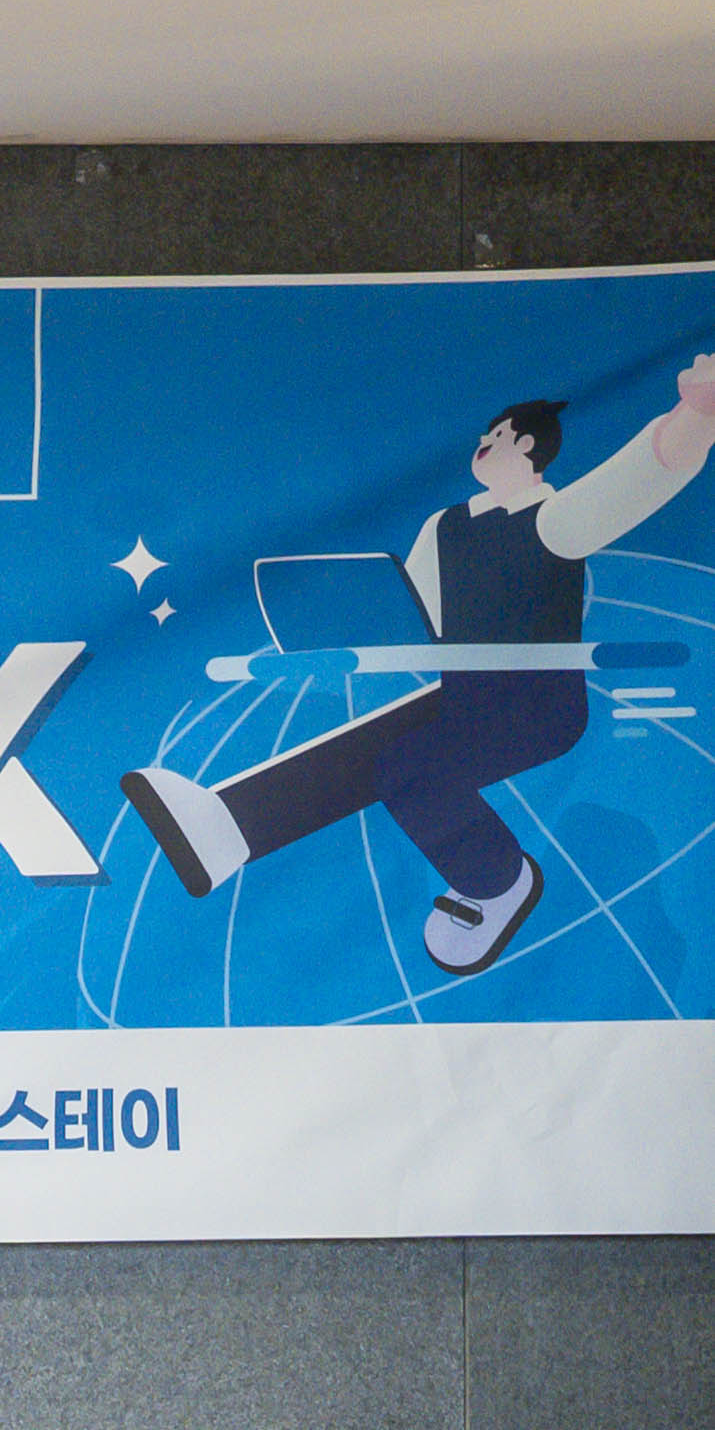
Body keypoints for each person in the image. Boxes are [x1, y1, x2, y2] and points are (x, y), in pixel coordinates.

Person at [121, 352, 715, 975]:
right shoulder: (447, 526)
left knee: (410, 764)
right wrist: (342, 638)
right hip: (463, 694)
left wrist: (696, 417)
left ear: (529, 447)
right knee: (367, 745)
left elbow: (633, 483)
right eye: (486, 433)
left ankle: (498, 882)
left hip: (537, 706)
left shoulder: (553, 519)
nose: (485, 441)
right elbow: (413, 614)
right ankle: (226, 827)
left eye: (499, 435)